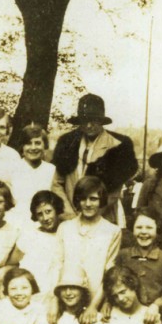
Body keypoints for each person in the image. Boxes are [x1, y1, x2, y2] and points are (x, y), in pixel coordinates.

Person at [51, 94, 137, 225]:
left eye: (94, 120)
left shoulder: (116, 146)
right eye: (85, 121)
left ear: (101, 121)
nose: (89, 125)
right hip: (70, 219)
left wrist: (90, 216)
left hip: (102, 218)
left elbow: (114, 191)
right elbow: (57, 183)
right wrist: (70, 216)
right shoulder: (67, 144)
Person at [55, 176, 121, 324]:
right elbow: (57, 265)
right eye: (83, 199)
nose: (88, 204)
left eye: (93, 199)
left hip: (95, 302)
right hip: (66, 300)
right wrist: (54, 301)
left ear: (101, 200)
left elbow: (108, 273)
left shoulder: (112, 231)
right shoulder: (65, 228)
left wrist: (93, 306)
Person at [115, 207, 162, 324]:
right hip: (125, 315)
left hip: (153, 316)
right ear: (132, 229)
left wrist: (156, 305)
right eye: (139, 227)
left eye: (149, 227)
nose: (144, 232)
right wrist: (108, 304)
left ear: (157, 230)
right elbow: (113, 283)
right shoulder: (123, 255)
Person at [8, 190, 65, 294]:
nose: (45, 218)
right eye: (40, 214)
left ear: (56, 210)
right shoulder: (30, 234)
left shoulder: (67, 232)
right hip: (31, 290)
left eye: (48, 211)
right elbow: (12, 263)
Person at [11, 124, 56, 223]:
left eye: (38, 143)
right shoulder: (12, 169)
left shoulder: (52, 170)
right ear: (22, 146)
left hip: (45, 222)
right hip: (16, 222)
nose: (33, 147)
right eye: (28, 143)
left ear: (45, 145)